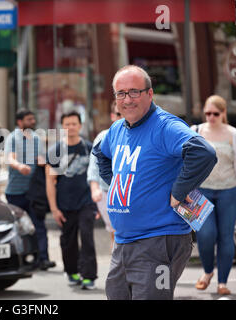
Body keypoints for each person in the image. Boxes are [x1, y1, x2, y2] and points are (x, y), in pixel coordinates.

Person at [92, 65, 217, 300]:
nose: (127, 99)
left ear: (150, 94)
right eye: (121, 93)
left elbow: (203, 152)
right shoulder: (118, 129)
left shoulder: (165, 126)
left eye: (134, 92)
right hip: (124, 242)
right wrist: (118, 184)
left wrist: (180, 191)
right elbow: (100, 152)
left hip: (159, 239)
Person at [190, 95, 236, 295]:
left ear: (223, 113)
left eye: (215, 114)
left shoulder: (234, 134)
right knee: (206, 233)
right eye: (208, 113)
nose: (211, 117)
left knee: (226, 236)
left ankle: (222, 282)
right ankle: (208, 271)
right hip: (200, 190)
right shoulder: (195, 131)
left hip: (229, 189)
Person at [45, 110, 98, 289]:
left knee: (87, 236)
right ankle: (72, 271)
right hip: (65, 204)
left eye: (74, 124)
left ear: (80, 125)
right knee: (68, 241)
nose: (71, 127)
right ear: (62, 127)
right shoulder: (55, 151)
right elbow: (50, 182)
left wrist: (99, 203)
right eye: (67, 124)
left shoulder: (89, 148)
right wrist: (54, 209)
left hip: (87, 202)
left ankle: (89, 275)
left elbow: (98, 176)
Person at [5, 108, 56, 271]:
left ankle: (43, 258)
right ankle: (25, 257)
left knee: (39, 224)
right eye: (28, 119)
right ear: (20, 122)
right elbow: (9, 158)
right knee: (21, 227)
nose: (32, 122)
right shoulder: (12, 138)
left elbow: (41, 159)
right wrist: (20, 166)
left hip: (34, 192)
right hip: (15, 192)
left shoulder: (36, 138)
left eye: (33, 119)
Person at [87, 102, 122, 249]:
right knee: (115, 232)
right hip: (107, 191)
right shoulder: (104, 136)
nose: (122, 116)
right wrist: (94, 189)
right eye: (119, 113)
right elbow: (94, 165)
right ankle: (119, 268)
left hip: (133, 191)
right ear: (112, 116)